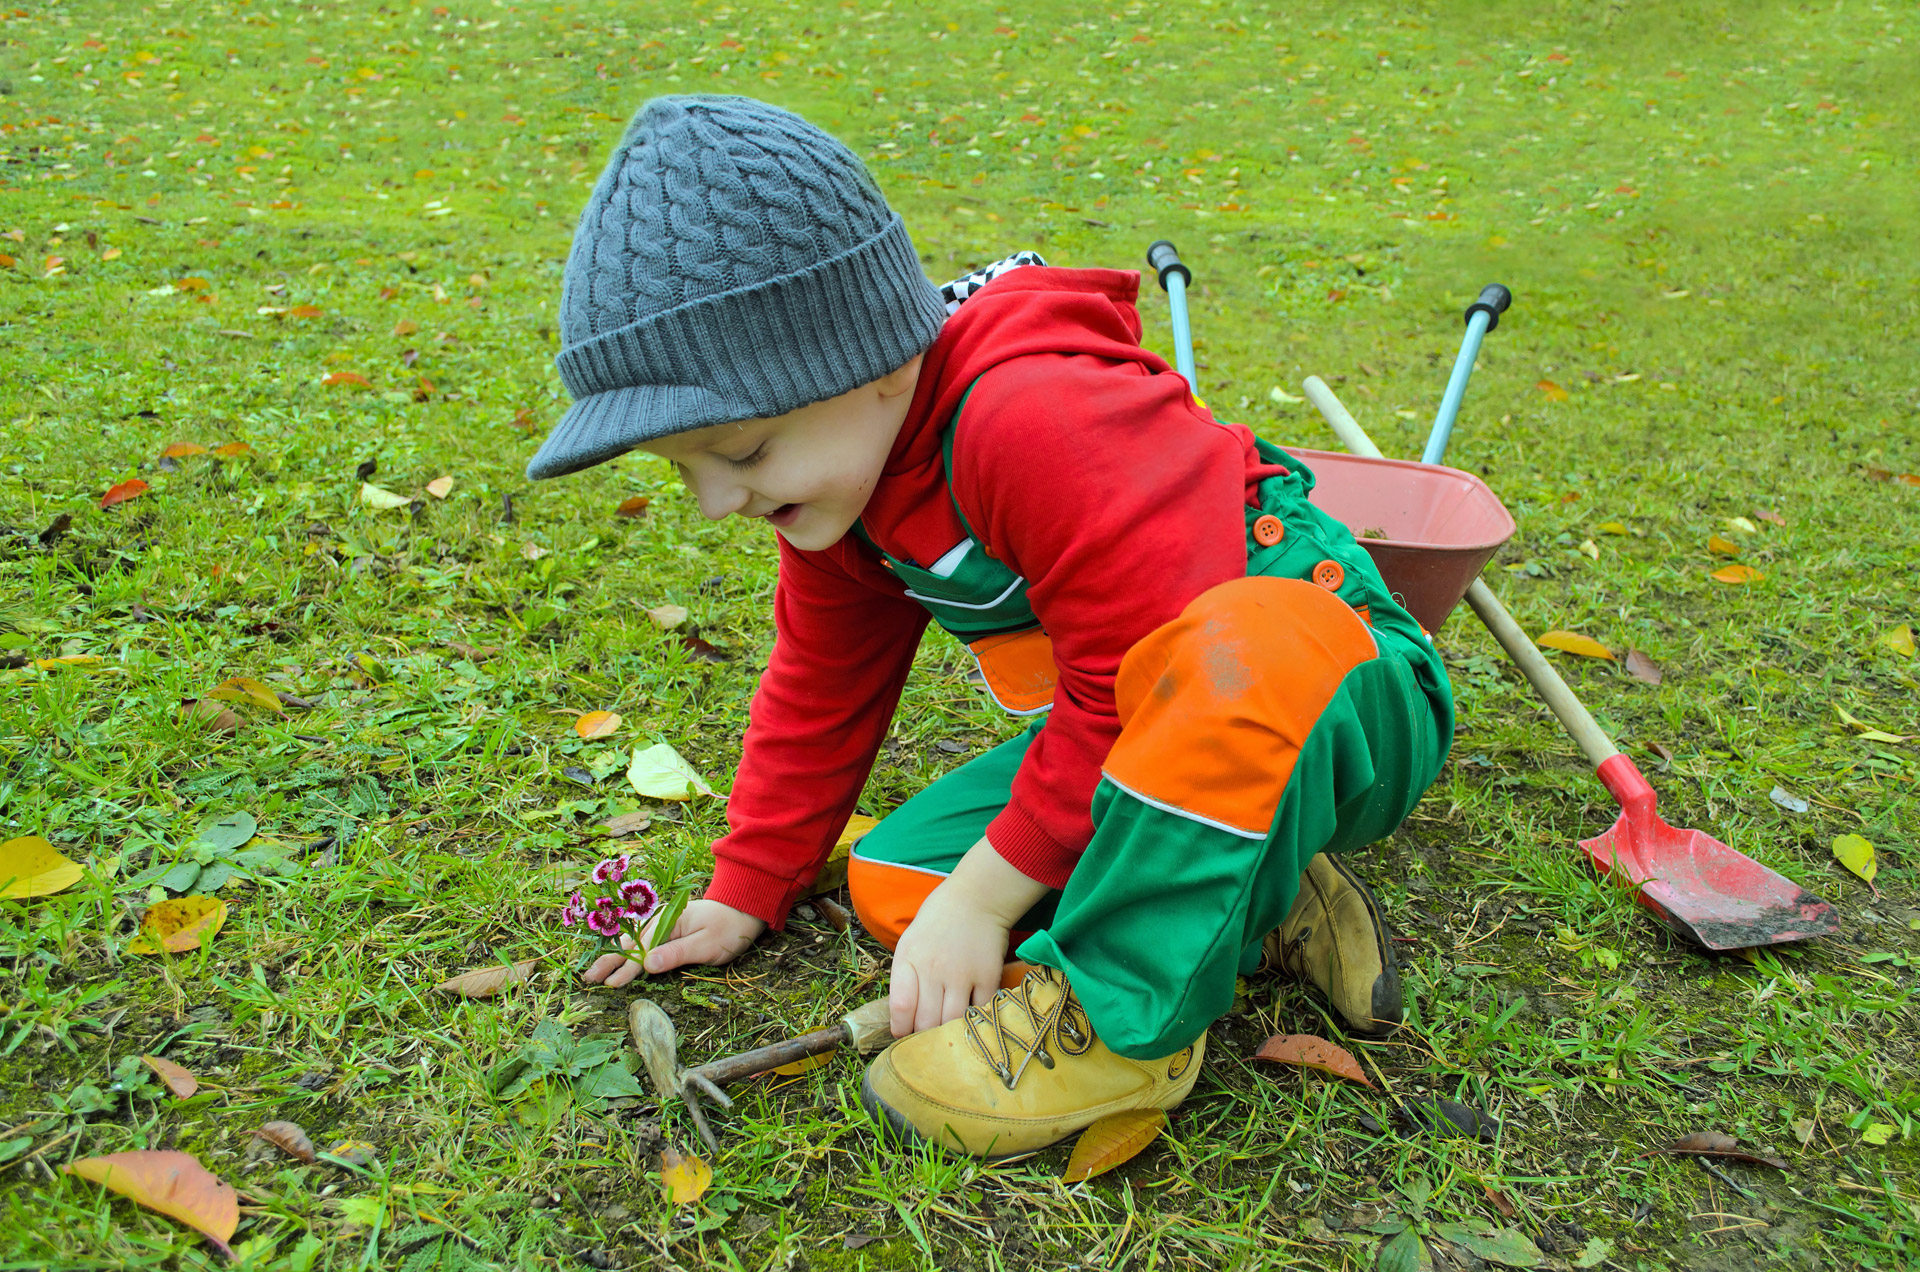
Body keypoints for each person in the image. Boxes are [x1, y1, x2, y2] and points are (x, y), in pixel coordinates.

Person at [530, 95, 1452, 1158]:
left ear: (868, 361)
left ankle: (1123, 1028)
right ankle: (1260, 885)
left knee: (1227, 654)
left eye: (739, 453)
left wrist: (988, 894)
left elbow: (1130, 675)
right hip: (1156, 742)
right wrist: (748, 884)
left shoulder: (1031, 414)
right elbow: (821, 687)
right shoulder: (845, 499)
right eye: (685, 469)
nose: (714, 501)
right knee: (902, 887)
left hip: (1336, 687)